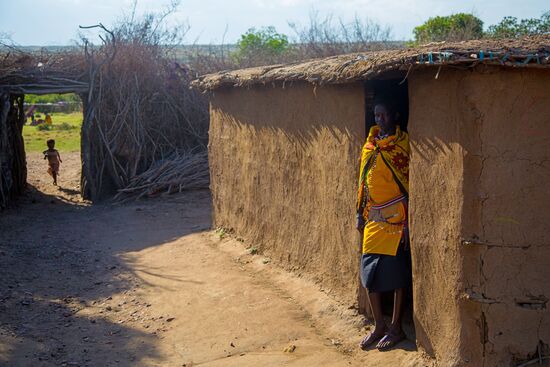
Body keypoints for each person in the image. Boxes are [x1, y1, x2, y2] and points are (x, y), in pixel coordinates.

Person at [357, 99, 411, 351]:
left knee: (397, 273)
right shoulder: (369, 146)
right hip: (374, 217)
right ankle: (379, 325)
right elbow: (362, 182)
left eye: (384, 115)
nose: (379, 120)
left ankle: (396, 327)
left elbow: (408, 181)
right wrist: (360, 212)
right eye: (376, 115)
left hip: (397, 216)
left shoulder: (401, 145)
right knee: (369, 273)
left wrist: (409, 221)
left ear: (395, 116)